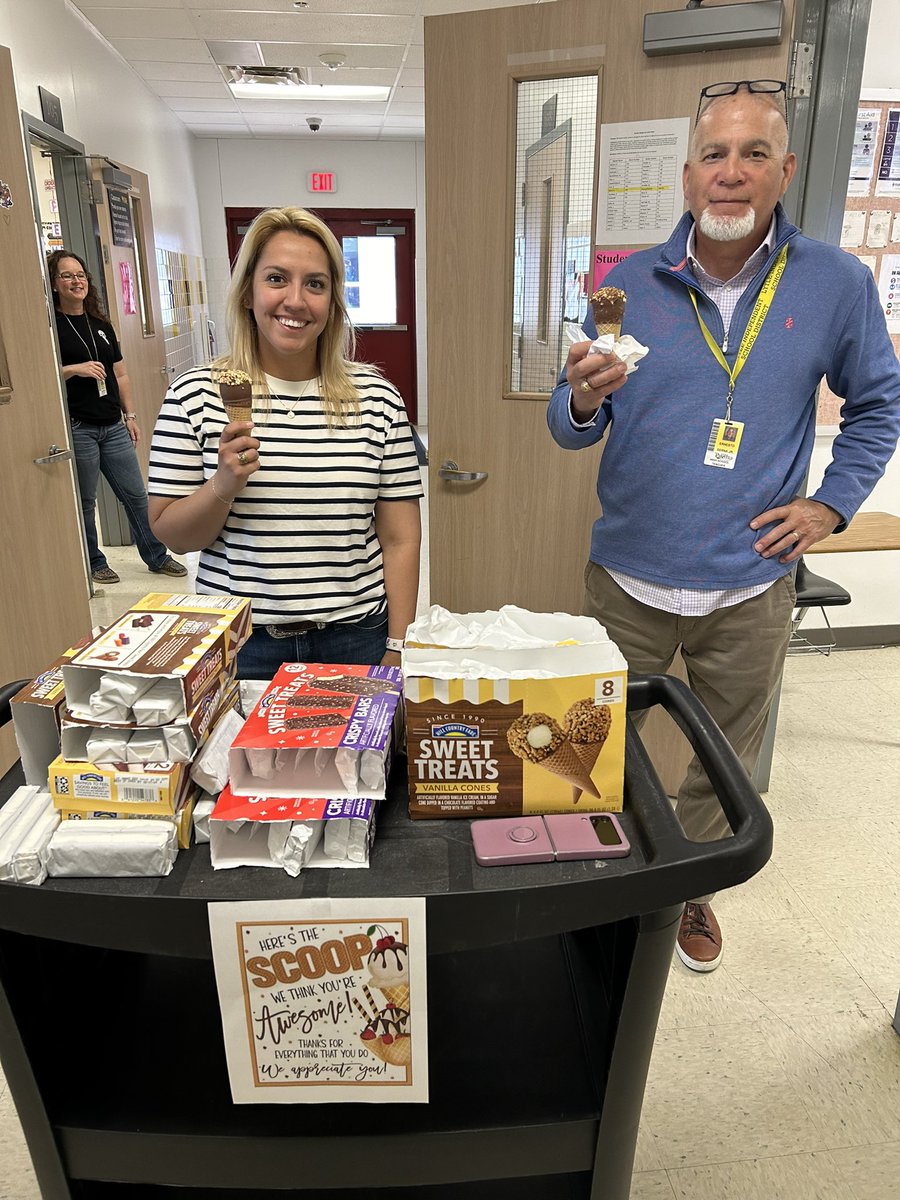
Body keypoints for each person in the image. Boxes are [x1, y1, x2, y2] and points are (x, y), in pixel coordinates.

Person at [548, 81, 900, 972]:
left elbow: (879, 404)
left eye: (753, 155)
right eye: (714, 155)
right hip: (628, 575)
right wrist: (581, 399)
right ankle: (599, 876)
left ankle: (687, 889)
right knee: (594, 743)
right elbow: (569, 421)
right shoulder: (626, 284)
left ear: (785, 170)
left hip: (750, 581)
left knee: (723, 756)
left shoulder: (835, 284)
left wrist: (831, 504)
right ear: (687, 174)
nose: (731, 173)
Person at [147, 207, 422, 680]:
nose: (295, 300)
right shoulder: (195, 394)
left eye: (315, 284)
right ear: (248, 291)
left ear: (332, 300)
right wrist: (223, 485)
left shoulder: (376, 398)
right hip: (239, 643)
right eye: (277, 279)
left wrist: (398, 647)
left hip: (355, 637)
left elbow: (400, 538)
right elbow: (172, 534)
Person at [48, 250, 187, 586]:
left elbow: (120, 374)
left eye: (80, 275)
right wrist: (73, 369)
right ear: (54, 284)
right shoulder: (51, 328)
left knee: (136, 495)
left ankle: (156, 556)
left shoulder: (100, 324)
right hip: (79, 427)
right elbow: (43, 374)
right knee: (86, 502)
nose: (76, 281)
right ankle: (95, 563)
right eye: (67, 275)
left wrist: (131, 415)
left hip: (112, 425)